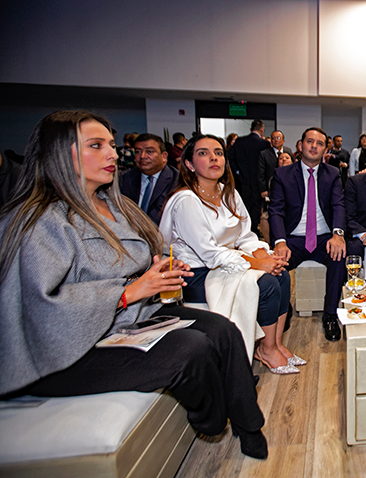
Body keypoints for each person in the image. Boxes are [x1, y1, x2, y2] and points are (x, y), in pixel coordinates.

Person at [0, 111, 268, 459]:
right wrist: (129, 292)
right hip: (66, 351)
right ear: (59, 153)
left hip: (128, 319)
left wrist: (157, 270)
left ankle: (250, 426)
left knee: (224, 330)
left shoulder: (114, 204)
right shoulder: (39, 220)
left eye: (111, 145)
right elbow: (40, 309)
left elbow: (133, 262)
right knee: (192, 350)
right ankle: (213, 420)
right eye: (96, 146)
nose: (113, 154)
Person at [159, 134, 301, 375]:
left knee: (282, 274)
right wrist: (257, 264)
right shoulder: (186, 200)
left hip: (226, 262)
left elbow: (245, 235)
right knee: (266, 284)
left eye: (218, 153)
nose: (213, 158)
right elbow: (210, 254)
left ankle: (275, 344)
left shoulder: (228, 193)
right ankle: (266, 349)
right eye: (203, 153)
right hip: (195, 273)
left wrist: (266, 258)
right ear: (190, 164)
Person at [269, 127, 347, 342]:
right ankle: (283, 310)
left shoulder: (333, 174)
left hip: (323, 237)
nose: (314, 146)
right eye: (310, 141)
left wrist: (338, 234)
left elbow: (338, 205)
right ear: (300, 145)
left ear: (325, 149)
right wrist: (280, 241)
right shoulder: (282, 174)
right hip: (293, 238)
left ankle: (330, 315)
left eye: (320, 143)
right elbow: (276, 210)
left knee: (339, 257)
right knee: (275, 264)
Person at [119, 133, 180, 224]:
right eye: (138, 152)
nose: (142, 156)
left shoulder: (178, 181)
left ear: (164, 156)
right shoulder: (123, 178)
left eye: (149, 152)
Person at [228, 120, 271, 235]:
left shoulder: (240, 141)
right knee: (256, 206)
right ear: (262, 130)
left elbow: (230, 157)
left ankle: (243, 228)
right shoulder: (264, 144)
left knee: (244, 204)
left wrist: (237, 171)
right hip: (258, 180)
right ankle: (253, 229)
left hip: (242, 178)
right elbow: (266, 164)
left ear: (250, 129)